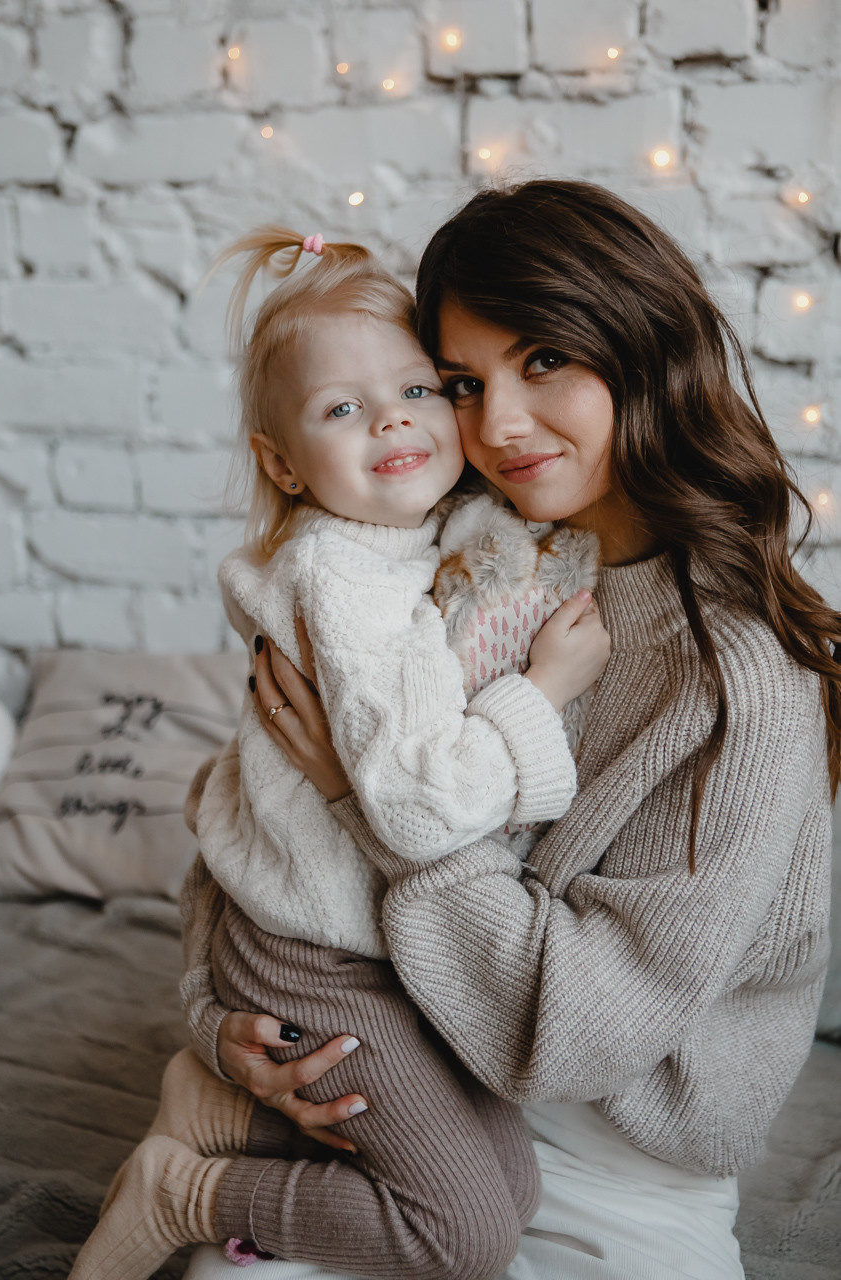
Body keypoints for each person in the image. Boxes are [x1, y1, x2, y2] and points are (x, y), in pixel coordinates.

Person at [190, 180, 839, 1280]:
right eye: (460, 382)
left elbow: (577, 1030)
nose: (494, 425)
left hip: (608, 1153)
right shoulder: (439, 549)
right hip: (407, 1077)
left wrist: (367, 802)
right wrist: (215, 1024)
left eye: (542, 359)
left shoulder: (740, 684)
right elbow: (256, 816)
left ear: (641, 348)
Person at [68, 225, 609, 1280]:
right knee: (463, 1233)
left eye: (414, 387)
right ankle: (185, 1184)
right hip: (320, 955)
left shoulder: (414, 541)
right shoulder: (341, 582)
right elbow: (415, 812)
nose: (392, 419)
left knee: (521, 1186)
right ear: (283, 461)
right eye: (339, 409)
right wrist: (540, 691)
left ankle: (231, 1114)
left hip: (379, 945)